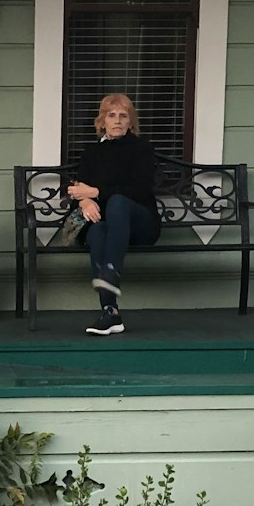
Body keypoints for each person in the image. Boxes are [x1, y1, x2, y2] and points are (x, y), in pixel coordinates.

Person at [65, 93, 160, 336]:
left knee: (118, 202)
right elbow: (78, 186)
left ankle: (110, 271)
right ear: (102, 121)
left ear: (131, 122)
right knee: (97, 229)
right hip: (108, 225)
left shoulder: (142, 149)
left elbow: (139, 190)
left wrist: (96, 192)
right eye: (111, 115)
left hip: (141, 225)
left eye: (123, 116)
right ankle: (110, 312)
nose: (117, 120)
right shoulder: (92, 152)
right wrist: (85, 200)